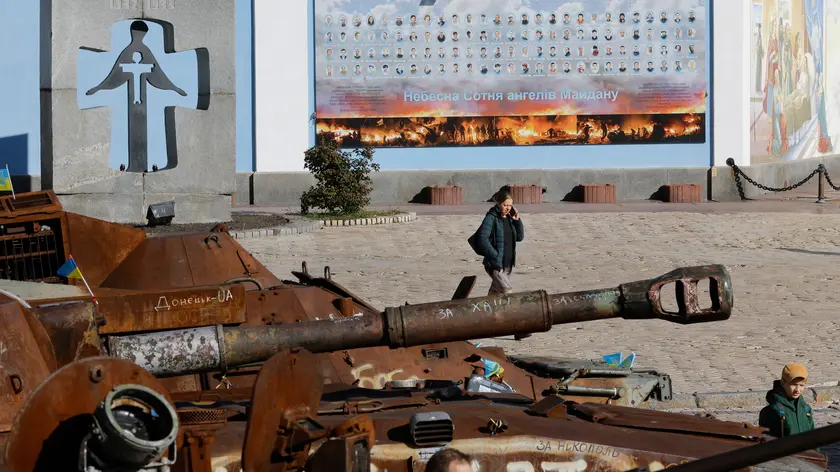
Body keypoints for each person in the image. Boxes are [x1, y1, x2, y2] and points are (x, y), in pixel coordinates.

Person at [759, 363, 815, 438]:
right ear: (783, 383)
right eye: (793, 385)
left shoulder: (806, 409)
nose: (797, 390)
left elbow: (813, 438)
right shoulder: (772, 411)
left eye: (801, 385)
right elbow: (767, 444)